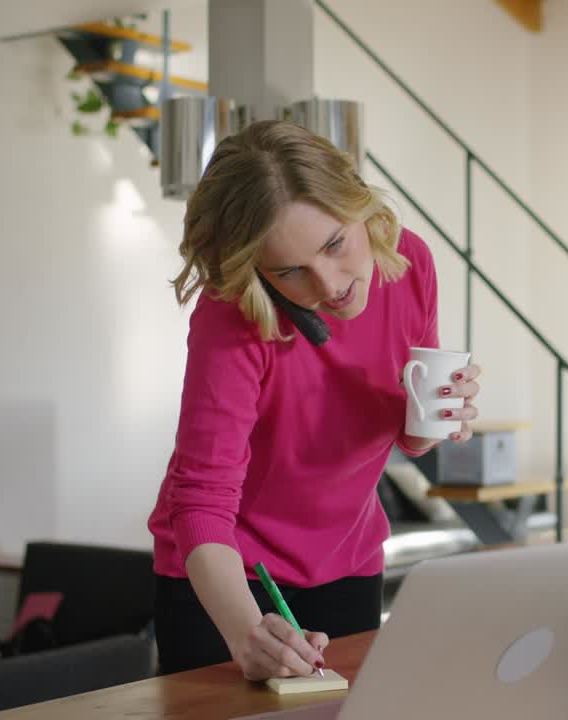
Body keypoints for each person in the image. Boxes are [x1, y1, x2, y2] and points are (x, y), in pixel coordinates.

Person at [146, 120, 482, 680]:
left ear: (358, 205)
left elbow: (411, 439)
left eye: (334, 245)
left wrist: (440, 412)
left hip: (349, 562)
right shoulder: (232, 312)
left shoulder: (409, 262)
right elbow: (201, 502)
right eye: (291, 271)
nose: (328, 285)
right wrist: (246, 634)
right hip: (229, 578)